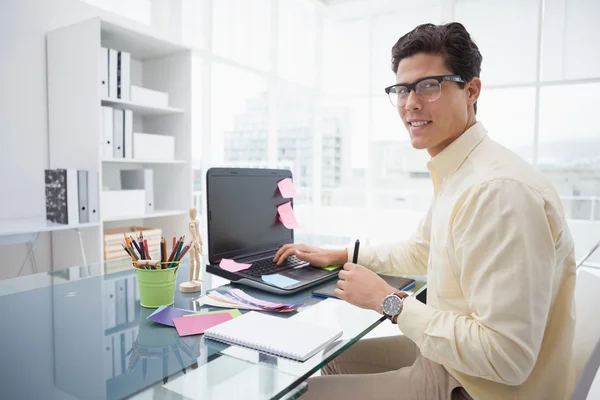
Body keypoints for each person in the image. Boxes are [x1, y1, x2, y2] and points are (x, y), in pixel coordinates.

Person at [273, 22, 576, 400]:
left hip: (480, 388)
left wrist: (388, 301)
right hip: (455, 365)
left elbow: (507, 357)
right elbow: (422, 250)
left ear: (472, 90)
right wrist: (345, 255)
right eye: (402, 89)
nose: (410, 103)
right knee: (330, 361)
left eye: (429, 86)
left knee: (304, 395)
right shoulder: (462, 171)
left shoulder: (498, 192)